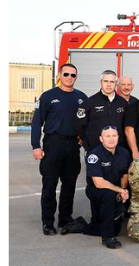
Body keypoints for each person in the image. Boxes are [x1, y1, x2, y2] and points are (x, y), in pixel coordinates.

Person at [31, 63, 88, 235]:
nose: (69, 78)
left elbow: (87, 122)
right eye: (66, 74)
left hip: (72, 146)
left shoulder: (81, 97)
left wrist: (83, 138)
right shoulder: (48, 96)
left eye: (73, 75)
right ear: (59, 75)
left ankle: (65, 219)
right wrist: (36, 146)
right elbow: (36, 122)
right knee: (49, 184)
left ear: (76, 77)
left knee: (69, 185)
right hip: (53, 144)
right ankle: (48, 222)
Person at [81, 126, 131, 249]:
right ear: (101, 139)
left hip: (115, 190)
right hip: (96, 191)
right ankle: (108, 237)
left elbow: (125, 175)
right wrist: (120, 190)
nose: (111, 139)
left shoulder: (124, 153)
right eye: (107, 136)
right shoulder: (94, 155)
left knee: (116, 228)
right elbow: (99, 183)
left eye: (114, 136)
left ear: (118, 137)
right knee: (108, 196)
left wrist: (123, 191)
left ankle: (82, 226)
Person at [76, 69, 129, 155]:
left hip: (119, 151)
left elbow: (127, 126)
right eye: (105, 81)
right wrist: (88, 144)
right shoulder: (89, 103)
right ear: (101, 82)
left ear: (116, 84)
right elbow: (80, 126)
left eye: (112, 82)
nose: (108, 84)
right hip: (95, 150)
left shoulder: (123, 103)